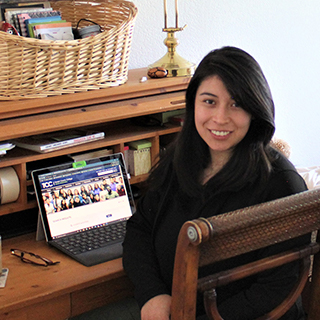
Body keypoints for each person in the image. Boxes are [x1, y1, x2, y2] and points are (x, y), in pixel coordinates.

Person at [122, 46, 309, 320]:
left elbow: (277, 288)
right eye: (209, 102)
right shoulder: (180, 159)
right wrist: (151, 295)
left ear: (255, 110)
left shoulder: (281, 184)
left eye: (236, 104)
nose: (220, 118)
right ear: (193, 104)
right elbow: (139, 229)